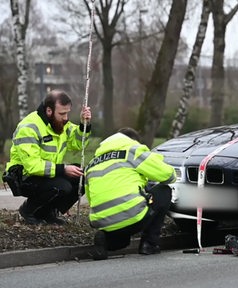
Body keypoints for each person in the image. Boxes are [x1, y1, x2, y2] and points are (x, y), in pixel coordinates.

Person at [84, 127, 176, 260]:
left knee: (123, 241)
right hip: (133, 216)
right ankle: (149, 244)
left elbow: (90, 198)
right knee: (164, 191)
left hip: (102, 221)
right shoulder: (132, 151)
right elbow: (168, 175)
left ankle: (105, 241)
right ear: (133, 141)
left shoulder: (92, 164)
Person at [4, 89, 92, 225]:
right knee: (62, 186)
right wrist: (62, 169)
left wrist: (83, 125)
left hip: (47, 174)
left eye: (67, 113)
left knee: (83, 176)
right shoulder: (29, 127)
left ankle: (47, 212)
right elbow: (32, 166)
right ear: (49, 111)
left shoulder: (60, 123)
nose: (66, 118)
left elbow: (78, 144)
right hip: (25, 176)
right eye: (62, 113)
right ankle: (28, 210)